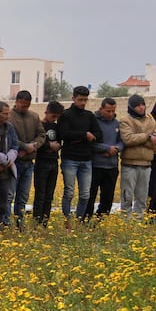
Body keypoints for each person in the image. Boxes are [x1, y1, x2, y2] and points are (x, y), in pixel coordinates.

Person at [56, 85, 97, 230]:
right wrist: (84, 135)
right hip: (70, 159)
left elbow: (98, 135)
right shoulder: (65, 115)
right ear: (73, 98)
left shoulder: (89, 116)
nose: (83, 103)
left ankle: (79, 221)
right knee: (69, 192)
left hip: (86, 159)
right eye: (80, 99)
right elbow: (64, 135)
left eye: (85, 100)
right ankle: (67, 221)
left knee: (85, 194)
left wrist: (77, 137)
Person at [117, 94, 156, 218]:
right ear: (131, 107)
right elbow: (128, 139)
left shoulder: (151, 120)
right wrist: (147, 137)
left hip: (146, 163)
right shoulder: (125, 121)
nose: (141, 107)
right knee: (127, 195)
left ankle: (139, 220)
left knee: (142, 196)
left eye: (142, 104)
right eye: (137, 105)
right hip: (130, 164)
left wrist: (141, 138)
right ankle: (126, 221)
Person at [8, 91, 44, 229]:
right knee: (10, 195)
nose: (24, 108)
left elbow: (41, 134)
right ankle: (5, 222)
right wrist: (22, 147)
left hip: (29, 162)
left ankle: (20, 224)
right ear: (17, 102)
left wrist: (34, 146)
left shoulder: (34, 117)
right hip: (14, 162)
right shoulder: (9, 117)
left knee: (23, 196)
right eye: (22, 105)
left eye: (27, 106)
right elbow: (9, 137)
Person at [87, 97, 121, 219]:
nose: (111, 113)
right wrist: (106, 149)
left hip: (111, 166)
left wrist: (116, 149)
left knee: (108, 196)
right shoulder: (94, 122)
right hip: (96, 165)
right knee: (91, 195)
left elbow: (122, 142)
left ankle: (101, 219)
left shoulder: (117, 123)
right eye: (108, 111)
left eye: (113, 111)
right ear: (101, 109)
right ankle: (86, 219)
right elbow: (91, 143)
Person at [32, 100, 64, 226]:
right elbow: (37, 142)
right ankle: (37, 221)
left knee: (49, 195)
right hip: (42, 162)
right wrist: (48, 145)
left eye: (57, 117)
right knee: (40, 194)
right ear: (46, 112)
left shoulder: (56, 127)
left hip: (53, 162)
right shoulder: (40, 126)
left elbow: (60, 141)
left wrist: (57, 146)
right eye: (52, 116)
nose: (54, 119)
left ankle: (45, 221)